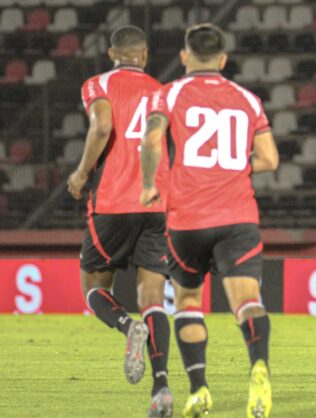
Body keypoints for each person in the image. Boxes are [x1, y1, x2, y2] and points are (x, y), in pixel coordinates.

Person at [140, 23, 279, 418]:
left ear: (185, 56)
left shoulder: (169, 93)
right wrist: (234, 167)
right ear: (223, 59)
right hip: (237, 217)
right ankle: (258, 366)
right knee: (247, 302)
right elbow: (269, 159)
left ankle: (199, 389)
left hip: (187, 219)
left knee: (187, 302)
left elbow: (151, 140)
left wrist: (149, 185)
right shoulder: (248, 99)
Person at [66, 25, 173, 417]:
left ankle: (129, 328)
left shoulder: (98, 84)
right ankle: (161, 389)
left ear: (112, 53)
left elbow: (102, 126)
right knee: (153, 297)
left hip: (113, 202)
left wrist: (81, 173)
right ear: (144, 55)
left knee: (94, 287)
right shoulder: (162, 91)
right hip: (157, 202)